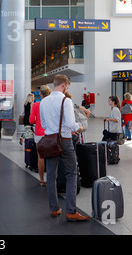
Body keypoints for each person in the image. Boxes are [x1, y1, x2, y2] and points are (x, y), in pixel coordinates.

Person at [40, 74, 88, 222]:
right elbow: (70, 124)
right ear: (63, 85)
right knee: (72, 174)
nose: (67, 89)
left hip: (50, 141)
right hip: (65, 141)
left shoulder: (43, 101)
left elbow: (42, 124)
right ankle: (71, 211)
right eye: (67, 86)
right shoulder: (66, 101)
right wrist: (79, 127)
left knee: (51, 176)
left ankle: (54, 209)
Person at [29, 85, 51, 186]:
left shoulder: (36, 105)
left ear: (40, 94)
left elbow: (31, 120)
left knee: (40, 157)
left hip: (39, 134)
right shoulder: (52, 104)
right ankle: (52, 179)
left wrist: (36, 120)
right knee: (52, 157)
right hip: (50, 133)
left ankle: (42, 180)